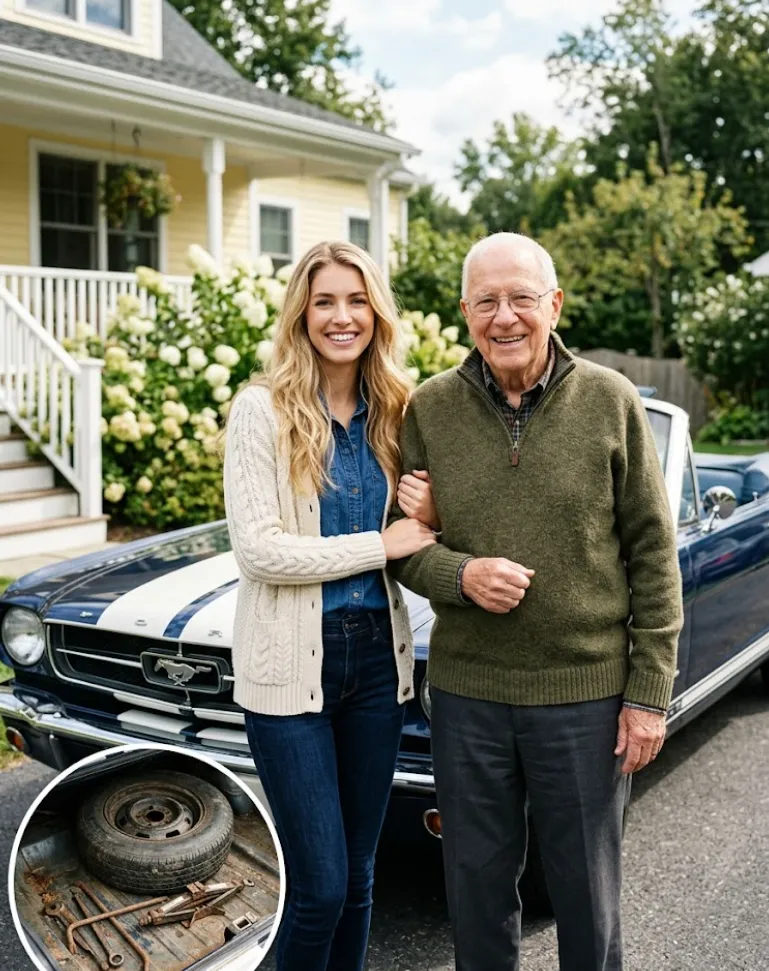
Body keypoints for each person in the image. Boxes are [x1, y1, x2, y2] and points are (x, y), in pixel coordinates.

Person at [388, 232, 684, 971]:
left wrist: (647, 695)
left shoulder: (610, 400)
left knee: (586, 896)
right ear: (465, 312)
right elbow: (401, 544)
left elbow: (653, 553)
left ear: (554, 305)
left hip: (584, 698)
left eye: (520, 297)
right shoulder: (429, 408)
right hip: (469, 697)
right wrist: (460, 575)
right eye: (485, 301)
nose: (504, 316)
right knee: (476, 892)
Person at [223, 240, 439, 971]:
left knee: (359, 877)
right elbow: (260, 551)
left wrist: (428, 514)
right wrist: (381, 544)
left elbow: (423, 529)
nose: (341, 317)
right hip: (290, 670)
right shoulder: (261, 411)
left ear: (376, 314)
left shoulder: (397, 413)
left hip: (378, 663)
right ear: (301, 314)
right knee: (318, 887)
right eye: (324, 302)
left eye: (356, 301)